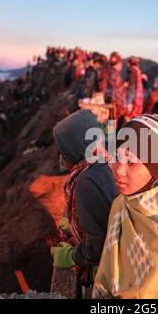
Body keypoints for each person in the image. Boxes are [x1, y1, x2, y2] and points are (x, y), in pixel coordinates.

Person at [93, 114, 158, 299]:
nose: (119, 170)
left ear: (155, 169)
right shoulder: (123, 202)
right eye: (118, 157)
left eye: (132, 162)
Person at [51, 110, 119, 285]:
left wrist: (70, 256)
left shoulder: (85, 182)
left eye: (63, 151)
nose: (60, 157)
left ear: (75, 148)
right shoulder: (104, 161)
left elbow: (99, 245)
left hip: (109, 271)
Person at [101, 52, 126, 120]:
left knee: (110, 122)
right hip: (113, 104)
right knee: (112, 124)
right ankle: (111, 131)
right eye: (121, 64)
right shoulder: (114, 74)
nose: (121, 66)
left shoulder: (109, 71)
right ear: (117, 64)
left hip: (109, 101)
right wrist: (124, 86)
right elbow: (116, 91)